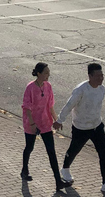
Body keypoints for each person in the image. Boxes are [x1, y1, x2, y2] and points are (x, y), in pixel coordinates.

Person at [53, 63, 105, 196]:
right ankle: (65, 169)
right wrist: (59, 120)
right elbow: (69, 105)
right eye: (97, 76)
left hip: (97, 126)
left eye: (102, 75)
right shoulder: (80, 90)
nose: (101, 78)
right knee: (74, 150)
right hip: (81, 127)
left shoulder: (102, 89)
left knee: (104, 153)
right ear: (90, 76)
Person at [21, 62, 71, 191]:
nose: (48, 75)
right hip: (32, 122)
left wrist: (57, 120)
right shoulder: (30, 87)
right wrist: (32, 124)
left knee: (51, 152)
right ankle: (24, 170)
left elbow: (50, 105)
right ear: (38, 73)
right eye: (46, 73)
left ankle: (58, 181)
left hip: (45, 122)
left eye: (49, 72)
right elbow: (27, 107)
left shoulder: (48, 86)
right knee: (29, 147)